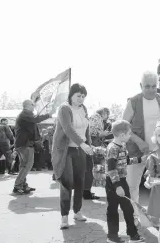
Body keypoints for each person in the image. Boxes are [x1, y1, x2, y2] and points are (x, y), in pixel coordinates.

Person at [123, 71, 160, 226]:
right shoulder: (133, 101)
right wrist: (138, 141)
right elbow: (122, 127)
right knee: (133, 185)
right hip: (137, 151)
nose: (151, 90)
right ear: (140, 86)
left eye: (154, 86)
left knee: (158, 185)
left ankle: (157, 217)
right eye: (147, 86)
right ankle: (135, 216)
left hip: (159, 151)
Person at [51, 83, 93, 229]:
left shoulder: (84, 109)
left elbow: (86, 129)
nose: (81, 99)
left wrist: (89, 145)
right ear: (71, 95)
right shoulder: (64, 108)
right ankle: (64, 217)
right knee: (67, 182)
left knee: (80, 180)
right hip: (65, 150)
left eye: (83, 96)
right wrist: (83, 144)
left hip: (80, 149)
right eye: (78, 96)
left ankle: (78, 211)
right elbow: (68, 129)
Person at [105, 120, 145, 243]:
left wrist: (139, 159)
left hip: (121, 181)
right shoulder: (112, 148)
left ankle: (132, 235)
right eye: (129, 134)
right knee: (113, 209)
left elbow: (125, 161)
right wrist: (117, 186)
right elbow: (111, 168)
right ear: (122, 135)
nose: (130, 136)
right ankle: (112, 236)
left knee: (128, 209)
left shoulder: (122, 145)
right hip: (114, 183)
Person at [13, 100, 54, 194]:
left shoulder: (26, 115)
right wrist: (49, 114)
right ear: (27, 105)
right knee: (28, 164)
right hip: (25, 144)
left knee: (24, 165)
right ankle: (18, 186)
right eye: (33, 104)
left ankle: (23, 185)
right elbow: (36, 119)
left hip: (23, 143)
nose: (34, 106)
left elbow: (34, 123)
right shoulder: (25, 113)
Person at [84, 107, 111, 200]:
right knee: (91, 167)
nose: (107, 116)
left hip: (90, 144)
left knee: (89, 167)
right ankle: (87, 191)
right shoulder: (97, 117)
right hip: (93, 144)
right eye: (107, 114)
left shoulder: (93, 117)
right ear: (104, 113)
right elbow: (93, 133)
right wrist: (103, 134)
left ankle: (86, 190)